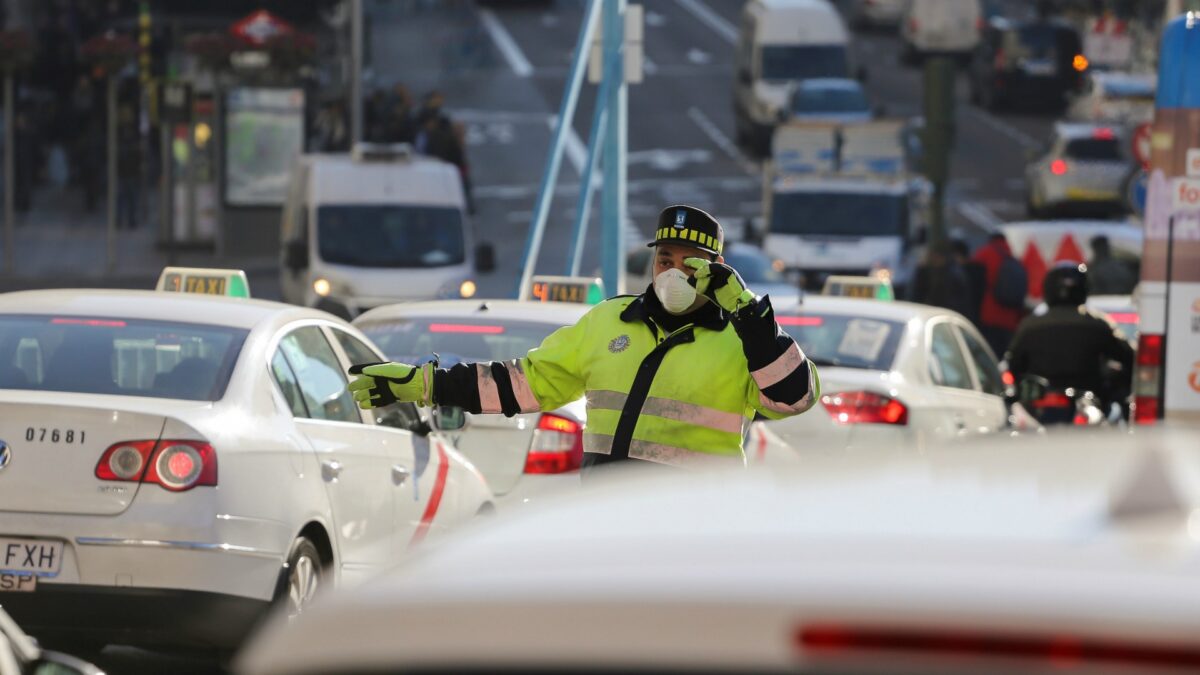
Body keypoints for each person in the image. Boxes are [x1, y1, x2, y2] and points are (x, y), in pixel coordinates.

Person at [348, 205, 820, 472]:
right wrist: (424, 384)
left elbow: (794, 397)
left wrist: (750, 313)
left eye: (688, 263)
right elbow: (523, 383)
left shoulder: (744, 337)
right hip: (606, 524)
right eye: (664, 259)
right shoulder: (609, 321)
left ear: (715, 270)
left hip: (694, 533)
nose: (672, 273)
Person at [1006, 262, 1134, 413]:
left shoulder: (1029, 325)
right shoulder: (1098, 324)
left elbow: (1013, 364)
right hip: (1089, 405)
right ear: (1084, 289)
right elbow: (1129, 357)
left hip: (1041, 407)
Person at [971, 233, 1026, 356]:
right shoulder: (1012, 257)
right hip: (1011, 319)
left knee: (990, 355)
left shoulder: (984, 254)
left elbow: (973, 282)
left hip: (989, 315)